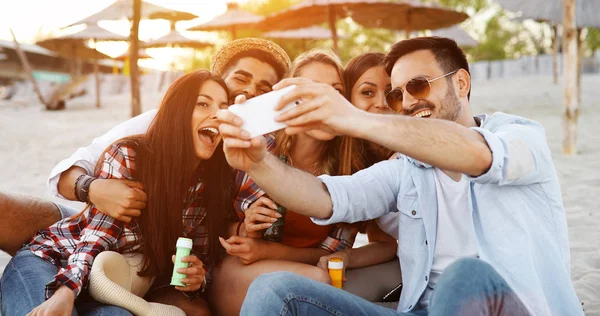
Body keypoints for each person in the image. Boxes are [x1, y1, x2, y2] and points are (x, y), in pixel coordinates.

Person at [217, 37, 583, 315]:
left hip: (515, 305)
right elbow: (326, 197)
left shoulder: (520, 137)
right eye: (396, 95)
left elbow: (478, 154)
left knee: (464, 275)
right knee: (275, 289)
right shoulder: (406, 168)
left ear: (461, 84)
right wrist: (257, 164)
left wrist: (355, 118)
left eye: (419, 86)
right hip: (419, 308)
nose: (407, 103)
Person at [0, 37, 292, 257]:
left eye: (263, 89)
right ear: (218, 80)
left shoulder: (263, 147)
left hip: (160, 253)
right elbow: (65, 173)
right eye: (241, 78)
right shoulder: (164, 123)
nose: (250, 91)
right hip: (107, 227)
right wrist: (94, 189)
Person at [1, 70, 233, 316]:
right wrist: (65, 292)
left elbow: (197, 257)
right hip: (57, 261)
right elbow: (96, 237)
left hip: (111, 285)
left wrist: (197, 278)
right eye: (203, 103)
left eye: (223, 107)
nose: (216, 114)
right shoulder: (130, 156)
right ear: (178, 110)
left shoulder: (211, 181)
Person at [210, 50, 362, 315]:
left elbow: (334, 252)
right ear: (288, 98)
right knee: (319, 283)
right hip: (237, 269)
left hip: (296, 267)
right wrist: (245, 227)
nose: (322, 103)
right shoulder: (259, 147)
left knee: (321, 283)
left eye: (335, 91)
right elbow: (207, 220)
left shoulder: (350, 168)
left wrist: (268, 250)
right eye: (310, 91)